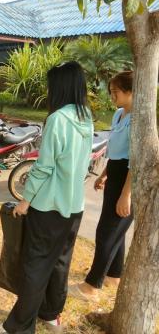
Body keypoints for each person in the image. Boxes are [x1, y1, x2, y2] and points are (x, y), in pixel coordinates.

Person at [0, 62, 93, 334]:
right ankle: (51, 315)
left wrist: (25, 200)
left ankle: (19, 327)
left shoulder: (58, 119)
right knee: (60, 262)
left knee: (35, 266)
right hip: (74, 206)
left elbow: (44, 166)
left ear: (59, 87)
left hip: (48, 207)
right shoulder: (86, 117)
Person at [69, 71, 133, 301]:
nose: (112, 96)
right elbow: (115, 150)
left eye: (115, 92)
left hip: (129, 179)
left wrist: (127, 195)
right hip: (115, 173)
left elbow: (134, 161)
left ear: (131, 91)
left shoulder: (138, 119)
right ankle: (114, 275)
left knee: (107, 232)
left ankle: (91, 286)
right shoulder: (118, 115)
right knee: (116, 230)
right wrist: (104, 174)